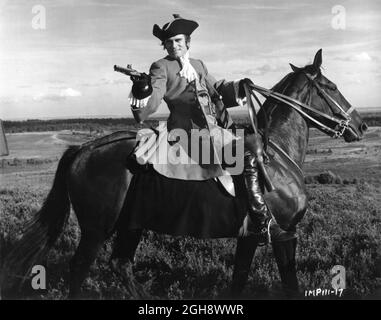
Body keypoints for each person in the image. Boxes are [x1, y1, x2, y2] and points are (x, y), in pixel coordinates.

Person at [128, 14, 270, 244]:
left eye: (178, 41)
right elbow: (152, 102)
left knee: (254, 148)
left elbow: (217, 88)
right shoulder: (161, 66)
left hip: (215, 129)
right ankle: (262, 222)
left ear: (187, 43)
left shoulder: (198, 65)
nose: (174, 46)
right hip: (186, 132)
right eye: (169, 42)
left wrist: (239, 87)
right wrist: (142, 89)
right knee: (243, 155)